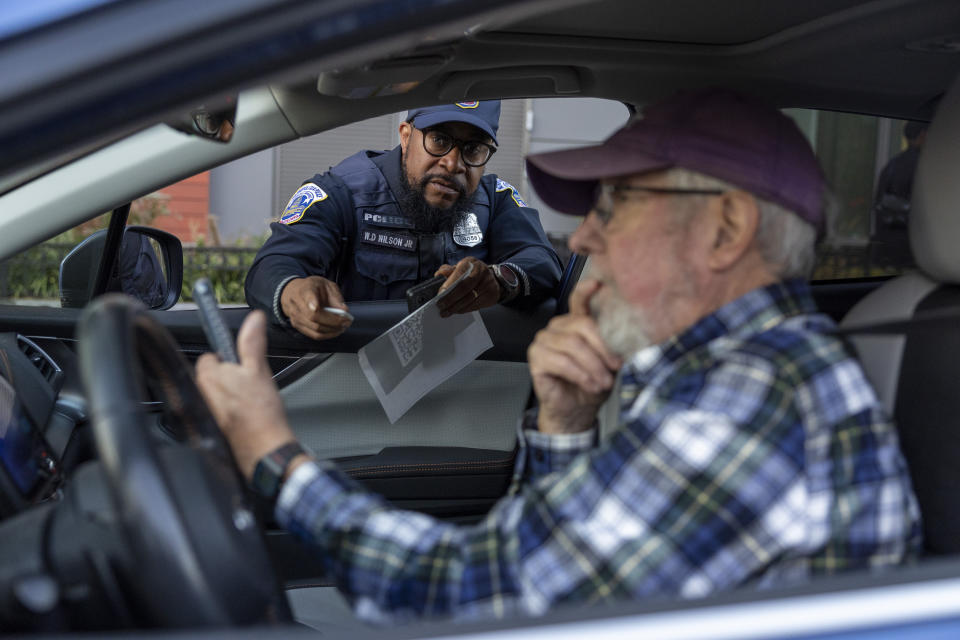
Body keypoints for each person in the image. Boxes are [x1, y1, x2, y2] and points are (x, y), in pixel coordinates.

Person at [197, 88, 921, 623]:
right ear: (405, 133)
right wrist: (565, 429)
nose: (585, 239)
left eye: (613, 208)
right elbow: (568, 578)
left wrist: (277, 460)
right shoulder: (725, 373)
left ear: (726, 229)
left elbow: (477, 594)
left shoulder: (754, 403)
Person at [244, 100, 562, 340]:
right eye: (439, 140)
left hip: (465, 389)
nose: (453, 163)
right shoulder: (342, 192)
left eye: (474, 149)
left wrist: (500, 279)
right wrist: (294, 292)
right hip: (350, 378)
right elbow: (273, 266)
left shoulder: (495, 199)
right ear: (406, 136)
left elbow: (542, 261)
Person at [870, 121, 928, 270]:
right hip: (914, 250)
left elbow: (878, 205)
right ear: (922, 135)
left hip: (889, 248)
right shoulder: (925, 165)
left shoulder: (892, 165)